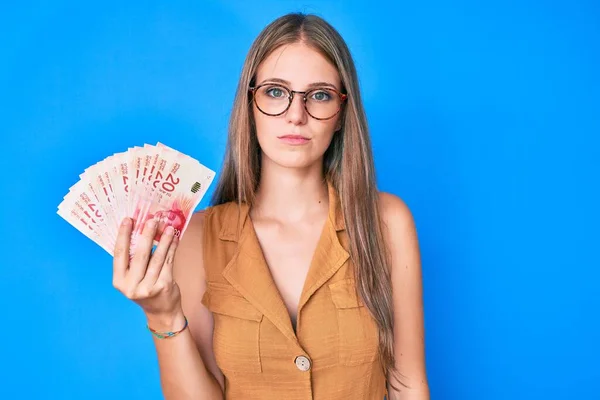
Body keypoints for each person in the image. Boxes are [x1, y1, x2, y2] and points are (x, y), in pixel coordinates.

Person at [112, 12, 429, 400]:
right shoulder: (198, 236)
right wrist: (161, 315)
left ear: (342, 113)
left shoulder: (386, 221)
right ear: (251, 102)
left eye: (320, 95)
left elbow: (407, 385)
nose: (296, 115)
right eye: (276, 92)